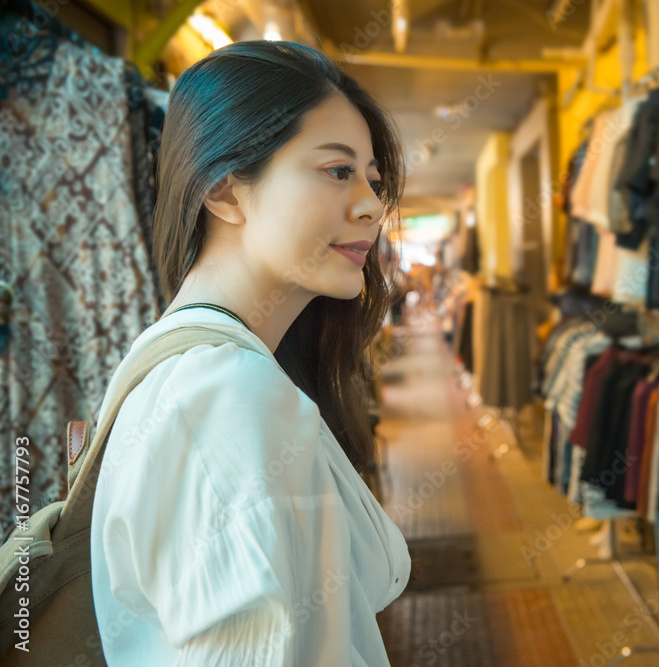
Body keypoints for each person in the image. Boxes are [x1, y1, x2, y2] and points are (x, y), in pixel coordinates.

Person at [89, 40, 410, 665]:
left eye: (372, 178)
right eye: (337, 170)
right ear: (226, 191)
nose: (374, 204)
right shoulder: (224, 396)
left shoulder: (201, 371)